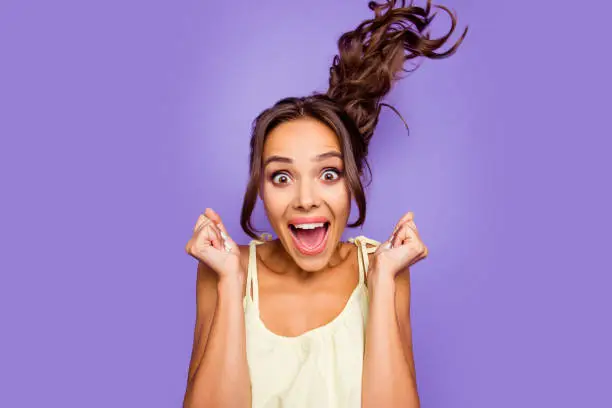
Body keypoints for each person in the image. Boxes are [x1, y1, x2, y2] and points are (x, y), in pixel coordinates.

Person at [182, 1, 467, 407]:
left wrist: (383, 280)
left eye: (328, 174)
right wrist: (230, 283)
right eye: (282, 177)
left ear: (351, 184)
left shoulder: (384, 270)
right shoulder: (224, 270)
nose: (306, 199)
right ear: (260, 190)